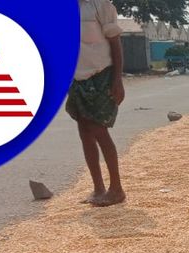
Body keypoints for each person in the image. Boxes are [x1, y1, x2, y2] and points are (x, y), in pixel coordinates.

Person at [66, 0, 126, 206]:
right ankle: (98, 188)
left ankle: (116, 189)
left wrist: (118, 80)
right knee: (84, 132)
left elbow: (116, 45)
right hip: (77, 78)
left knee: (98, 128)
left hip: (101, 75)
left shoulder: (101, 6)